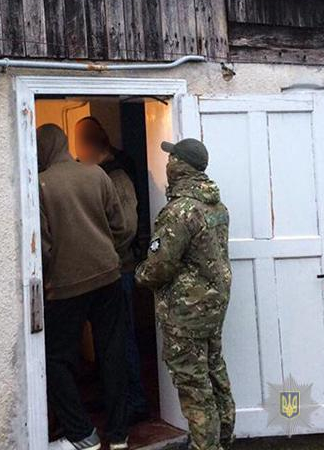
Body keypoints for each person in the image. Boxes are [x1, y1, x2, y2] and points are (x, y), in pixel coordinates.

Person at [37, 124, 134, 450]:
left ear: (42, 148)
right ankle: (119, 435)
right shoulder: (97, 174)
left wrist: (48, 277)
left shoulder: (41, 184)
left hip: (66, 286)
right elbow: (120, 226)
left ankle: (82, 434)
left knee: (55, 359)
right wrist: (104, 252)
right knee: (112, 353)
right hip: (108, 276)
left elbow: (43, 246)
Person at [136, 139, 235, 450]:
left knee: (193, 383)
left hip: (187, 311)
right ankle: (222, 439)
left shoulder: (179, 211)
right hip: (213, 305)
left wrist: (140, 275)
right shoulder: (215, 205)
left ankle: (205, 445)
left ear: (179, 165)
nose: (167, 164)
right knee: (214, 372)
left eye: (171, 158)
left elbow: (161, 265)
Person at [75, 116, 151, 424]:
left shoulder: (117, 177)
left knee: (122, 339)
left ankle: (135, 401)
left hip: (120, 270)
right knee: (107, 340)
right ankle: (114, 398)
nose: (77, 153)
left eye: (79, 145)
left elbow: (127, 228)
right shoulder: (99, 173)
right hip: (106, 270)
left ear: (91, 144)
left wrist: (100, 249)